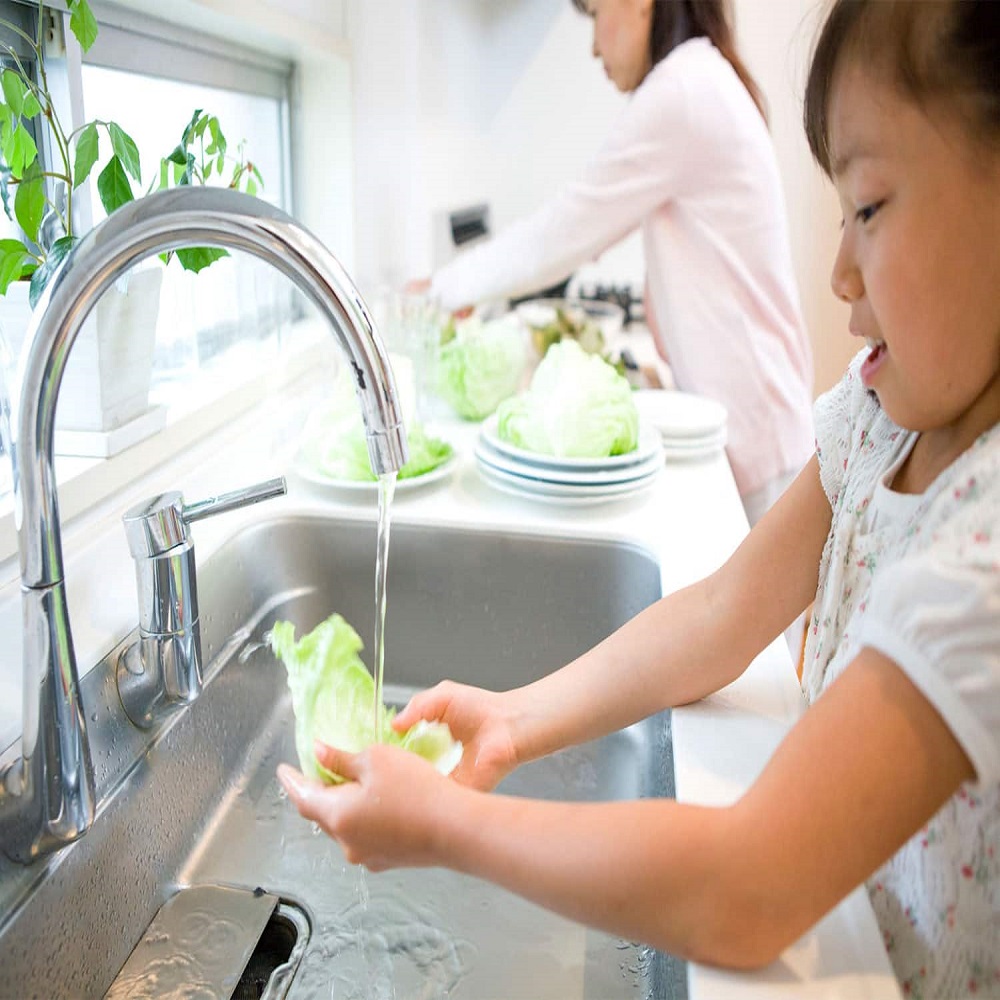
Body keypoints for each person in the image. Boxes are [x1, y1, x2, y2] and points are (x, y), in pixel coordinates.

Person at [279, 0, 1000, 995]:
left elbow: (748, 887)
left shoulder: (982, 561)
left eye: (867, 208)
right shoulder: (879, 422)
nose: (836, 273)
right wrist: (515, 720)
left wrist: (448, 823)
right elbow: (715, 615)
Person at [418, 0, 816, 526]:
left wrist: (440, 290)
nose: (593, 46)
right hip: (763, 425)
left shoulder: (682, 90)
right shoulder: (701, 78)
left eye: (594, 13)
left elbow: (565, 231)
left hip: (756, 435)